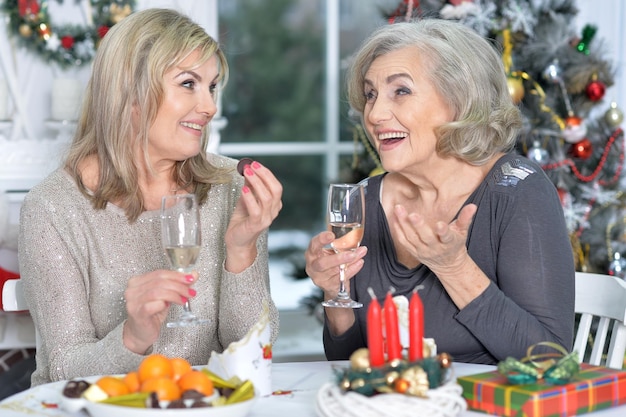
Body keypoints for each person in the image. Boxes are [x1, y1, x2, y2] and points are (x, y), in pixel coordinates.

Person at [19, 8, 282, 387]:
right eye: (189, 84)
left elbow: (254, 352)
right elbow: (63, 368)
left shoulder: (229, 188)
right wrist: (134, 335)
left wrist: (242, 250)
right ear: (130, 93)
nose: (209, 106)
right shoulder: (53, 208)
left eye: (212, 86)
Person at [305, 19, 575, 365]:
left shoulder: (517, 190)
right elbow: (351, 361)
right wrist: (333, 293)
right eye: (371, 94)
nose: (374, 113)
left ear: (459, 100)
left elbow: (548, 359)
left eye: (400, 91)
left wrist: (454, 267)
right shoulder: (362, 202)